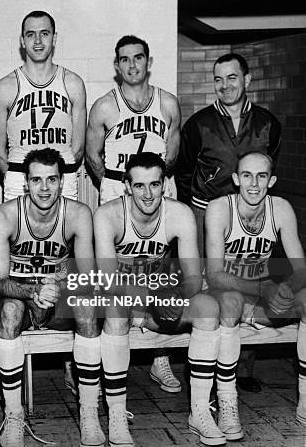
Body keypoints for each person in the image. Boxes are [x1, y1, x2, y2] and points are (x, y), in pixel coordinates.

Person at [94, 152, 223, 446]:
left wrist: (172, 296)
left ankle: (200, 411)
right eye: (139, 185)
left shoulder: (179, 213)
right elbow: (108, 280)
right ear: (126, 186)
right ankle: (115, 414)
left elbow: (192, 278)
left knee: (207, 307)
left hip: (158, 298)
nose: (148, 193)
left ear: (164, 184)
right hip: (125, 301)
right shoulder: (107, 215)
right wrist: (153, 295)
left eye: (154, 184)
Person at [176, 52, 282, 391]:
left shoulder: (268, 123)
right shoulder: (198, 123)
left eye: (232, 77)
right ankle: (201, 369)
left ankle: (241, 369)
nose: (225, 86)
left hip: (250, 214)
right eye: (218, 79)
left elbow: (268, 170)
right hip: (206, 212)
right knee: (209, 288)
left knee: (249, 280)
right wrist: (197, 215)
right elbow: (184, 172)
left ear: (247, 80)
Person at [86, 34, 183, 394]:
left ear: (148, 61)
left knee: (161, 266)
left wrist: (151, 186)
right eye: (124, 59)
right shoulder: (104, 107)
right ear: (116, 65)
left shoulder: (168, 103)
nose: (131, 65)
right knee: (114, 270)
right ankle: (111, 352)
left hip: (158, 187)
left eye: (138, 58)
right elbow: (92, 155)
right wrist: (117, 186)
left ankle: (160, 358)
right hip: (117, 185)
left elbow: (172, 155)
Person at [0, 148, 104, 447]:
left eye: (51, 180)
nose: (44, 188)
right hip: (22, 296)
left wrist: (58, 287)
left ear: (62, 182)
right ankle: (14, 414)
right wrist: (33, 290)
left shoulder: (78, 214)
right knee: (10, 311)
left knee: (87, 307)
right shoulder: (4, 215)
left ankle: (89, 412)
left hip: (57, 295)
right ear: (25, 183)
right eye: (36, 180)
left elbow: (88, 277)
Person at [206, 151, 306, 440]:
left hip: (261, 294)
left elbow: (300, 267)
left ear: (271, 181)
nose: (253, 184)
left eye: (261, 176)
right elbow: (213, 275)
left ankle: (304, 400)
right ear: (236, 179)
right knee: (229, 302)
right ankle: (227, 403)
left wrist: (286, 287)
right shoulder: (219, 208)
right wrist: (265, 288)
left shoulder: (281, 208)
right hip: (226, 292)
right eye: (246, 175)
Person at [0, 10, 87, 201]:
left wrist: (58, 175)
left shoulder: (73, 83)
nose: (37, 41)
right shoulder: (5, 86)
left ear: (54, 38)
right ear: (22, 40)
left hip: (63, 180)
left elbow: (77, 149)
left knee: (65, 231)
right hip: (20, 180)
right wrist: (19, 176)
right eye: (30, 34)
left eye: (44, 33)